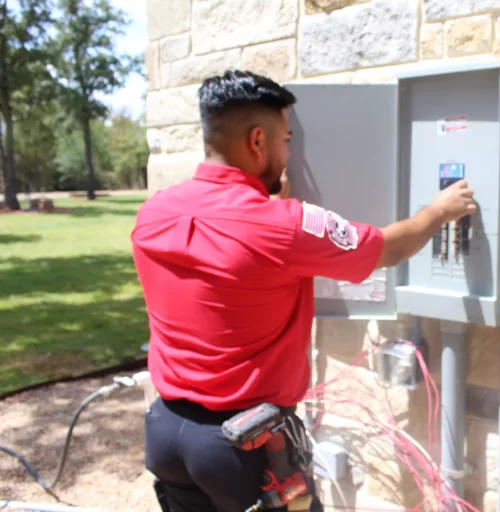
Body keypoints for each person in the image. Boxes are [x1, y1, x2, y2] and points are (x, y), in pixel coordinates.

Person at [131, 69, 477, 512]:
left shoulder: (155, 212)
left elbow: (225, 266)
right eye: (287, 140)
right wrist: (439, 210)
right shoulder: (284, 226)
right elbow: (389, 248)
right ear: (258, 141)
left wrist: (267, 209)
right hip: (241, 447)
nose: (288, 151)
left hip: (167, 435)